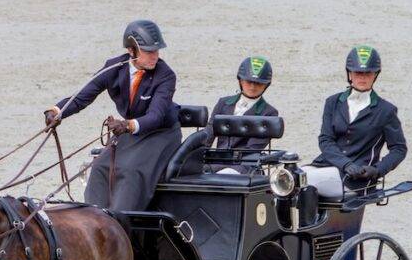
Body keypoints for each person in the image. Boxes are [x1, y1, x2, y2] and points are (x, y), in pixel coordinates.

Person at [44, 19, 181, 210]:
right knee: (100, 167)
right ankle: (94, 215)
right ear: (131, 50)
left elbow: (156, 116)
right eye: (148, 51)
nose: (155, 56)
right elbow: (83, 96)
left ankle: (119, 218)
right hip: (129, 131)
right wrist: (57, 112)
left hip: (160, 134)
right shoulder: (113, 67)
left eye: (157, 51)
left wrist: (127, 125)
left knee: (131, 170)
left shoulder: (165, 75)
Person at [305, 45, 407, 198]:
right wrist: (345, 164)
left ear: (375, 75)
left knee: (302, 181)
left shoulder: (386, 110)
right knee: (288, 177)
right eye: (358, 73)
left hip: (357, 178)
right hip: (325, 166)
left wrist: (377, 170)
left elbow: (399, 149)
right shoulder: (332, 102)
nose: (362, 78)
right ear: (350, 73)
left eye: (368, 73)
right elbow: (325, 140)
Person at [205, 56, 279, 150]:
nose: (252, 87)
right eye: (249, 82)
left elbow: (254, 147)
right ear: (240, 80)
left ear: (266, 85)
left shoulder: (269, 113)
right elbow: (208, 134)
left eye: (258, 83)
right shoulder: (223, 103)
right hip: (217, 157)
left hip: (246, 158)